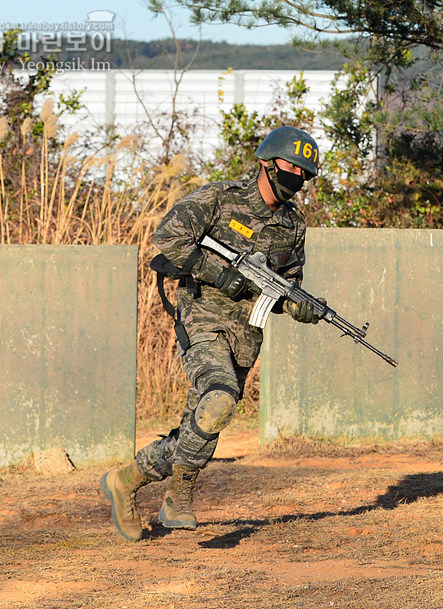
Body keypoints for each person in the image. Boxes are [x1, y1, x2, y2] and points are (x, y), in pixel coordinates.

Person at [100, 125, 324, 542]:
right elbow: (168, 238)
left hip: (245, 336)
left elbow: (284, 288)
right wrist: (220, 274)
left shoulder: (293, 225)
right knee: (219, 401)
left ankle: (125, 480)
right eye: (290, 166)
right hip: (201, 317)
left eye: (304, 173)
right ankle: (178, 499)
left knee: (201, 424)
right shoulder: (221, 198)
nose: (296, 176)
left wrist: (300, 306)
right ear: (266, 161)